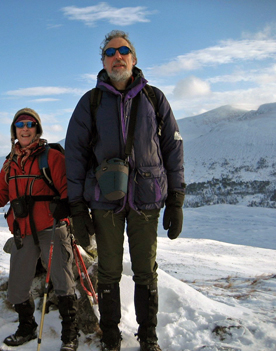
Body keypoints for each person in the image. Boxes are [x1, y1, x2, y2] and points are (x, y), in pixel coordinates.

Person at [65, 30, 186, 351]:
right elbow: (74, 155)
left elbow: (172, 149)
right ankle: (111, 337)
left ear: (134, 58)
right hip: (104, 201)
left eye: (123, 51)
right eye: (110, 52)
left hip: (146, 198)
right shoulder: (90, 102)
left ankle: (148, 337)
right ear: (103, 61)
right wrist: (76, 207)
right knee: (108, 271)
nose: (117, 56)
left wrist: (176, 198)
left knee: (146, 270)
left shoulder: (154, 98)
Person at [0, 108, 79, 351]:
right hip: (23, 230)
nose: (25, 128)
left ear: (37, 129)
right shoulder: (10, 164)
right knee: (18, 286)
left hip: (51, 226)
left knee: (63, 280)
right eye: (20, 125)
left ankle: (70, 333)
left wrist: (65, 206)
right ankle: (27, 326)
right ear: (14, 131)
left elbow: (68, 189)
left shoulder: (51, 158)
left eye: (30, 124)